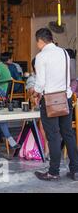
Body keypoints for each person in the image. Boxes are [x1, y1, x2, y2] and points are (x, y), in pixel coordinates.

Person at [32, 28, 78, 181]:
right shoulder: (64, 52)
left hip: (50, 100)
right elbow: (71, 75)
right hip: (66, 98)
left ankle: (53, 172)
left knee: (53, 136)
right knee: (69, 135)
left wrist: (36, 92)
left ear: (39, 40)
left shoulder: (41, 56)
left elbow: (40, 83)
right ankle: (75, 170)